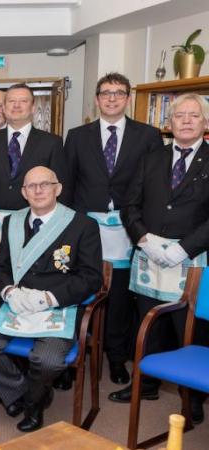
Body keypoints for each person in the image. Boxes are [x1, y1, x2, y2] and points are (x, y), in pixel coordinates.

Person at [0, 166, 102, 432]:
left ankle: (32, 405)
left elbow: (91, 278)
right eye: (31, 186)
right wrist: (8, 291)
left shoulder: (82, 225)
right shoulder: (12, 222)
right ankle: (27, 393)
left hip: (57, 306)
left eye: (44, 184)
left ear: (58, 189)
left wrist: (50, 297)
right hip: (17, 303)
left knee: (48, 361)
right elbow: (1, 267)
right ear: (24, 192)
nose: (38, 191)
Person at [110, 92, 209, 424]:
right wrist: (143, 238)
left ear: (205, 122)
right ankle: (148, 384)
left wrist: (184, 248)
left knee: (189, 330)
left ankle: (192, 397)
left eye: (194, 115)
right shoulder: (151, 158)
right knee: (148, 324)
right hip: (149, 255)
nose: (186, 121)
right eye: (179, 115)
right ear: (170, 122)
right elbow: (130, 205)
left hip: (191, 259)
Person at [59, 72, 161, 387]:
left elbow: (154, 187)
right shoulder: (77, 136)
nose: (112, 98)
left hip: (128, 229)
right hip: (86, 228)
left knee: (119, 297)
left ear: (128, 98)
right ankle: (69, 357)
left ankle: (116, 357)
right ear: (97, 99)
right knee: (78, 292)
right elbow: (67, 184)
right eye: (106, 92)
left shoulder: (148, 136)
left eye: (118, 92)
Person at [0, 83, 66, 264]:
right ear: (4, 108)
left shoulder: (51, 143)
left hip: (34, 225)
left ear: (33, 108)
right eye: (11, 101)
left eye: (23, 101)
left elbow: (59, 192)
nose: (17, 105)